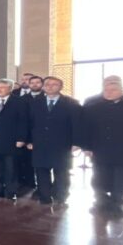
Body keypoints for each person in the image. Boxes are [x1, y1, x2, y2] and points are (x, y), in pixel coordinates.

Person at [79, 76, 123, 216]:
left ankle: (117, 204)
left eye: (113, 90)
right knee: (99, 177)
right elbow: (85, 129)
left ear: (122, 91)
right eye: (106, 90)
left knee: (121, 178)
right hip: (99, 149)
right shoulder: (92, 108)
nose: (109, 92)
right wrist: (86, 147)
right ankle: (101, 202)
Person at [26, 77, 80, 205]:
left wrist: (77, 142)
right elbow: (28, 123)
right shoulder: (34, 102)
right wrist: (28, 140)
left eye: (54, 84)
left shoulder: (71, 103)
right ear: (43, 87)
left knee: (61, 171)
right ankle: (44, 196)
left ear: (61, 87)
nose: (50, 87)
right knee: (41, 170)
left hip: (62, 143)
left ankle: (60, 196)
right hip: (40, 142)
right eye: (47, 84)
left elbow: (77, 124)